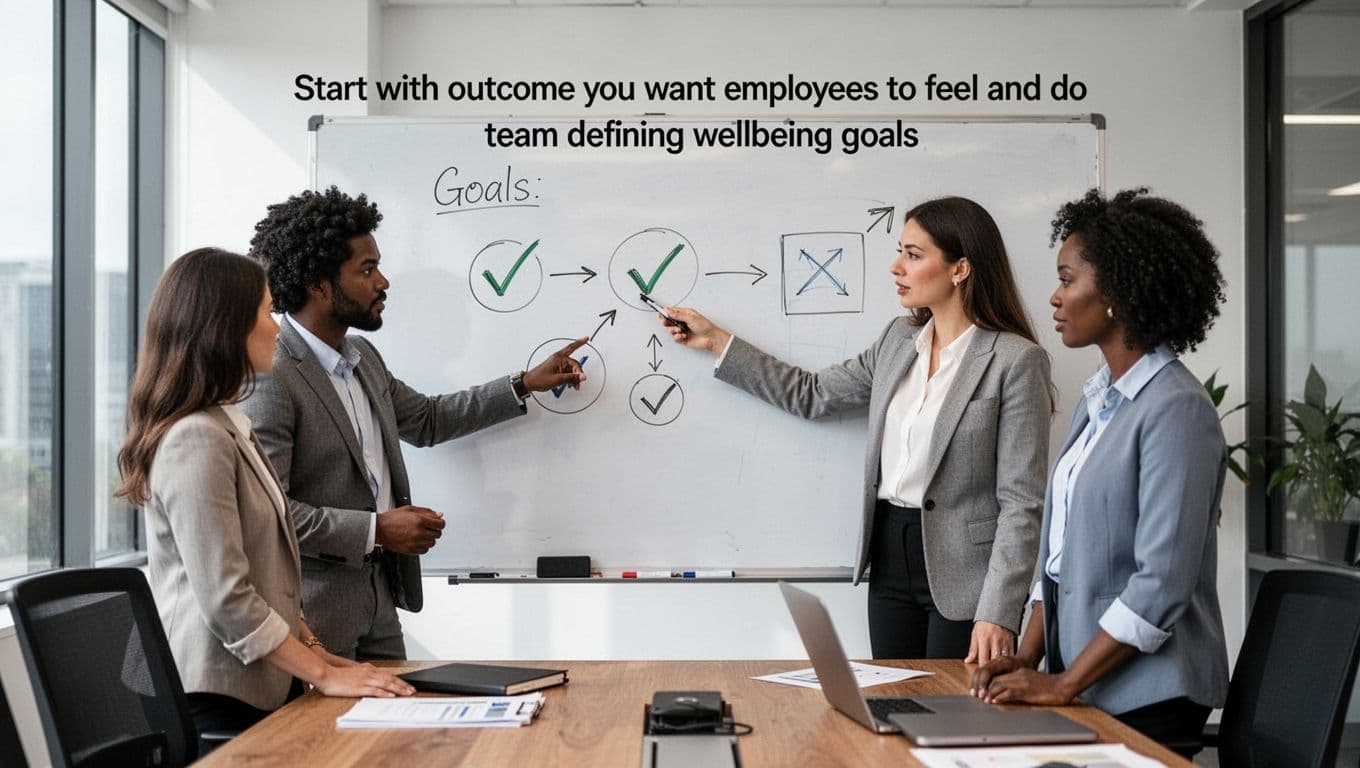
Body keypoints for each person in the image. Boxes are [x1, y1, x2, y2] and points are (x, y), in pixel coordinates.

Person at [664, 197, 1051, 663]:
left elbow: (1022, 502)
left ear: (960, 269)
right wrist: (715, 339)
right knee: (894, 706)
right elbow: (812, 394)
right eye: (900, 252)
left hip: (968, 575)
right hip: (890, 555)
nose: (896, 267)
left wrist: (1000, 611)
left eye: (913, 255)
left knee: (955, 716)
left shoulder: (1015, 360)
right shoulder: (896, 342)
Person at [238, 187, 585, 660]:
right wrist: (376, 529)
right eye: (366, 269)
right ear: (320, 284)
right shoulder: (273, 376)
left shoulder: (361, 358)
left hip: (380, 596)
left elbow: (428, 419)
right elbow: (270, 516)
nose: (382, 282)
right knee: (319, 735)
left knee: (398, 731)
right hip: (313, 610)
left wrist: (524, 383)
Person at [116, 248, 415, 749]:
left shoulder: (228, 423)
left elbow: (265, 576)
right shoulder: (196, 438)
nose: (277, 327)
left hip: (250, 680)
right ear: (223, 327)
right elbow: (228, 598)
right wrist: (321, 673)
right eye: (265, 311)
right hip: (212, 692)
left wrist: (321, 654)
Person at [970, 188, 1230, 757]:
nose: (1055, 297)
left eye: (1067, 279)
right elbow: (1058, 559)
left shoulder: (1178, 409)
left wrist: (1064, 682)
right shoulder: (1100, 400)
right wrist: (1029, 657)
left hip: (1148, 696)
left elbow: (1161, 582)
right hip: (1087, 682)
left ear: (1116, 292)